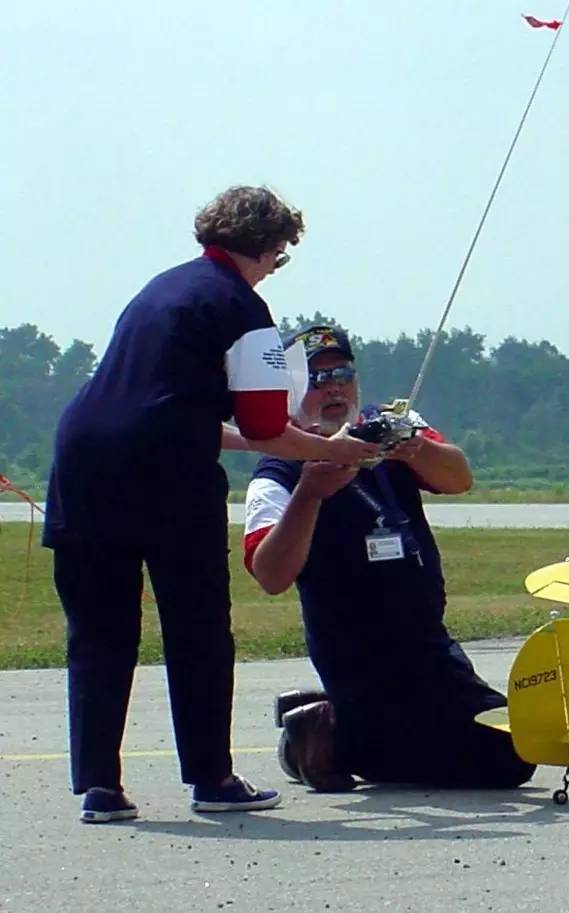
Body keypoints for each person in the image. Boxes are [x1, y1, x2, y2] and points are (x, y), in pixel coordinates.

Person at [43, 188, 381, 824]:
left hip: (84, 462)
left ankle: (100, 788)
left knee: (99, 633)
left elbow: (178, 411)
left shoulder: (161, 289)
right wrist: (335, 452)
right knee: (196, 627)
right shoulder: (245, 311)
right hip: (165, 479)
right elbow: (264, 430)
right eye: (277, 257)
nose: (272, 268)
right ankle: (211, 776)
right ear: (267, 250)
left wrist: (306, 446)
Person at [242, 325, 535, 792]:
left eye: (342, 373)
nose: (333, 386)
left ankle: (341, 728)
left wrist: (414, 447)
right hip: (358, 659)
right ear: (292, 391)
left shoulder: (389, 424)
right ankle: (326, 734)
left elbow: (459, 478)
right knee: (501, 762)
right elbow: (270, 574)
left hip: (427, 645)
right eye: (317, 379)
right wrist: (309, 495)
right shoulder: (279, 471)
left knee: (519, 744)